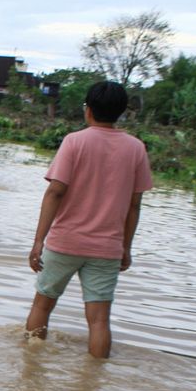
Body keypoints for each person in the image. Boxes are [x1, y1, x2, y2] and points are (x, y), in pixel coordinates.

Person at [25, 80, 153, 359]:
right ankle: (93, 384)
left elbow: (55, 191)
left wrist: (38, 241)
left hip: (64, 242)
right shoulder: (136, 148)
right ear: (120, 112)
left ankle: (30, 369)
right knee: (98, 320)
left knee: (42, 306)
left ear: (88, 110)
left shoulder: (74, 141)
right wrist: (126, 247)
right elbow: (134, 206)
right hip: (107, 247)